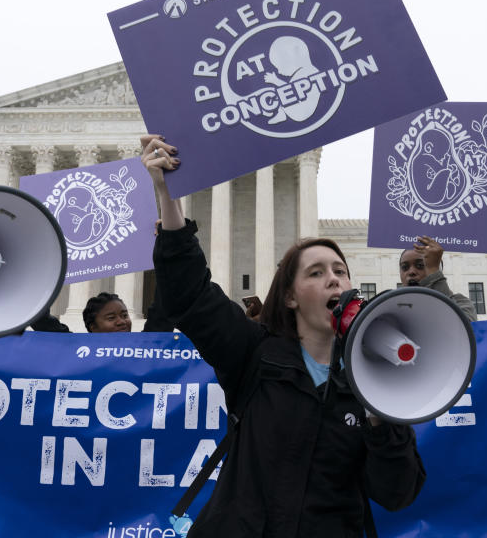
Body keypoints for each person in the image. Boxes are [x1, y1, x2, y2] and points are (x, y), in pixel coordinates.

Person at [141, 135, 425, 537]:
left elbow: (396, 494)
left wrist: (380, 417)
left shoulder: (374, 381)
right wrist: (166, 194)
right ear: (290, 296)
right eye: (316, 272)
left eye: (340, 271)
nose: (333, 279)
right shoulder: (254, 353)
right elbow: (190, 292)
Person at [399, 236, 477, 320]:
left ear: (437, 271)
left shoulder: (461, 302)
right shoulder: (392, 303)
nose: (411, 272)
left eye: (420, 265)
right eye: (404, 267)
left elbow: (461, 328)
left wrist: (434, 273)